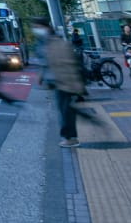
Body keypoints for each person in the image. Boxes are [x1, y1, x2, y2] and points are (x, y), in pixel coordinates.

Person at [33, 17, 97, 148]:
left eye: (38, 27)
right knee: (65, 109)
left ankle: (70, 138)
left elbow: (63, 63)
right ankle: (70, 135)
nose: (36, 30)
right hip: (58, 81)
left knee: (66, 110)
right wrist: (42, 75)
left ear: (45, 27)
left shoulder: (55, 42)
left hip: (63, 81)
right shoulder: (46, 41)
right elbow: (46, 61)